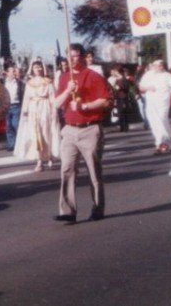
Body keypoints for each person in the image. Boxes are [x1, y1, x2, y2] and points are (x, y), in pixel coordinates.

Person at [54, 43, 112, 223]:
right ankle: (68, 211)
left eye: (75, 56)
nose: (72, 60)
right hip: (70, 129)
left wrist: (84, 106)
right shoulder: (64, 78)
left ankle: (97, 208)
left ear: (83, 56)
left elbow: (105, 101)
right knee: (67, 169)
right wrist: (67, 90)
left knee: (94, 171)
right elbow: (56, 104)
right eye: (68, 56)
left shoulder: (94, 76)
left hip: (90, 128)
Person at [14, 61, 59, 171]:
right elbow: (26, 98)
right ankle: (39, 160)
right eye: (35, 68)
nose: (37, 69)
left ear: (42, 69)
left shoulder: (48, 82)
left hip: (45, 107)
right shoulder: (30, 83)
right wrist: (25, 110)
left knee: (45, 131)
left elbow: (52, 98)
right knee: (35, 133)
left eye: (39, 67)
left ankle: (49, 155)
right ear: (32, 69)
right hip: (33, 109)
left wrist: (54, 111)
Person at [138, 59, 171, 154]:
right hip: (151, 103)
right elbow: (141, 87)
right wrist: (149, 88)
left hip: (162, 103)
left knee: (162, 120)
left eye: (158, 65)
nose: (155, 67)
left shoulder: (168, 76)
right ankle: (162, 142)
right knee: (154, 123)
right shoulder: (148, 75)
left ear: (162, 66)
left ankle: (161, 143)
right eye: (154, 65)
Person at [3, 66, 25, 151]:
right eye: (11, 72)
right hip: (6, 106)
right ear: (7, 73)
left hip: (16, 105)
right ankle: (11, 144)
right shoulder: (3, 83)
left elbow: (22, 94)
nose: (13, 73)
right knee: (8, 126)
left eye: (14, 72)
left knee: (16, 124)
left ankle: (20, 143)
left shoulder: (19, 83)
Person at [108, 65, 132, 132]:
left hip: (123, 97)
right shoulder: (117, 79)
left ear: (118, 72)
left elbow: (123, 88)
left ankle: (125, 127)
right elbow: (115, 89)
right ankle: (122, 126)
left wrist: (115, 87)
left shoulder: (123, 79)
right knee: (120, 112)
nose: (114, 73)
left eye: (115, 71)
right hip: (118, 97)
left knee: (124, 112)